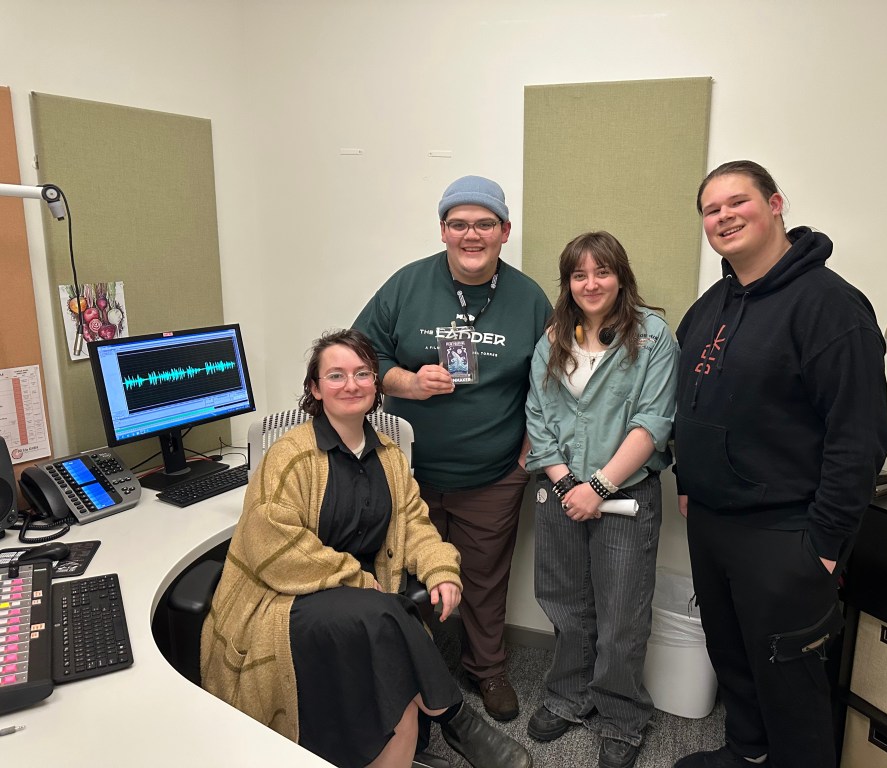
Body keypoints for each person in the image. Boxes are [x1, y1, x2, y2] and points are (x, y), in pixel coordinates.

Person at [200, 329, 532, 768]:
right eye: (336, 375)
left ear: (376, 384)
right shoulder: (290, 456)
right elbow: (271, 545)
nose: (351, 384)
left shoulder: (389, 457)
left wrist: (441, 569)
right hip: (286, 599)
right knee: (386, 614)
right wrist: (355, 579)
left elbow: (414, 524)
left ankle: (435, 725)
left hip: (362, 602)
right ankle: (456, 718)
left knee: (390, 654)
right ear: (315, 389)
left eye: (362, 373)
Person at [671, 161, 887, 768]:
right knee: (732, 656)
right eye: (711, 210)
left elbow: (859, 437)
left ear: (775, 204)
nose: (723, 216)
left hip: (785, 529)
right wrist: (689, 480)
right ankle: (747, 753)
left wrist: (825, 543)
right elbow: (690, 402)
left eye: (737, 202)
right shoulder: (711, 305)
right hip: (713, 523)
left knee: (789, 678)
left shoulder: (831, 307)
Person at [354, 175, 552, 721]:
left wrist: (525, 459)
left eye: (484, 223)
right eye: (459, 223)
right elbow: (361, 358)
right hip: (407, 475)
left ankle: (487, 669)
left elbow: (551, 384)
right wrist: (408, 382)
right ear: (442, 230)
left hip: (492, 475)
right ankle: (405, 673)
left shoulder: (530, 299)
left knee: (484, 580)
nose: (472, 234)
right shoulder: (407, 285)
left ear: (504, 231)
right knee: (400, 575)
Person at [524, 231, 679, 768]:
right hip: (561, 492)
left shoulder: (653, 337)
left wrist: (598, 487)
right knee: (564, 603)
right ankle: (569, 696)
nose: (591, 284)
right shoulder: (553, 340)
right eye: (579, 275)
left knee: (621, 616)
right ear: (568, 283)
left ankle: (621, 717)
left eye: (602, 272)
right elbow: (538, 418)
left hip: (625, 498)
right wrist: (567, 484)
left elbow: (653, 422)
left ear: (621, 276)